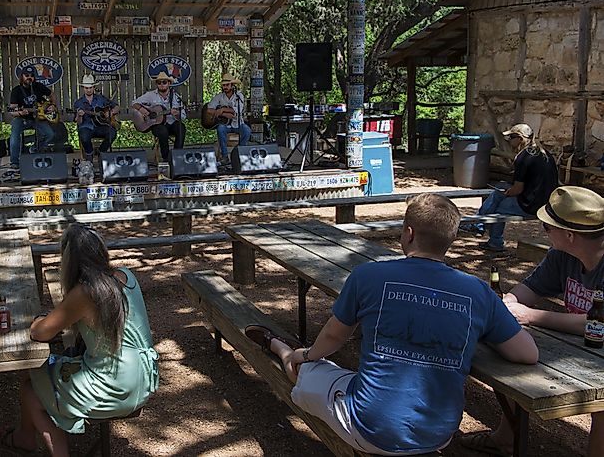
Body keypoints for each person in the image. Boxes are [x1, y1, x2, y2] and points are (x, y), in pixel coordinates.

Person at [244, 193, 538, 456]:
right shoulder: (478, 292)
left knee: (306, 369)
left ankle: (281, 349)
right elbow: (528, 354)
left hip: (370, 427)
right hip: (440, 432)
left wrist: (306, 355)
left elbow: (334, 336)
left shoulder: (367, 276)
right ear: (451, 239)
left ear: (408, 234)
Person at [461, 185, 604, 457]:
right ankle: (506, 439)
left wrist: (531, 315)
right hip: (585, 347)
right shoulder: (562, 255)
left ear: (569, 235)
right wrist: (506, 306)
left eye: (547, 227)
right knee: (518, 359)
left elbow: (598, 324)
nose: (543, 230)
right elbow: (526, 292)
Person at [0, 223, 159, 456]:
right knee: (46, 373)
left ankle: (29, 439)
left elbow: (40, 333)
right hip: (144, 380)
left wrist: (38, 320)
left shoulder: (86, 292)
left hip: (113, 387)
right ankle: (25, 436)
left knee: (30, 388)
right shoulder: (126, 275)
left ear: (69, 261)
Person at [462, 123, 558, 252]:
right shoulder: (544, 154)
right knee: (499, 189)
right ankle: (478, 225)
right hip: (546, 202)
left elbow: (517, 189)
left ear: (519, 138)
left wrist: (507, 193)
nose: (509, 141)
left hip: (530, 205)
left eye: (511, 137)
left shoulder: (523, 158)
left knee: (497, 207)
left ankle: (490, 237)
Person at [8, 66, 56, 169]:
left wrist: (52, 105)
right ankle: (14, 162)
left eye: (32, 76)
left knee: (50, 134)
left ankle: (34, 149)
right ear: (22, 77)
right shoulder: (16, 91)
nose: (29, 78)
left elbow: (51, 94)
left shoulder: (38, 86)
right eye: (27, 76)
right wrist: (21, 113)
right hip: (22, 118)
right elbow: (12, 111)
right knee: (14, 135)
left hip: (38, 118)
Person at [132, 71, 187, 162]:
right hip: (156, 125)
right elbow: (134, 103)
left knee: (181, 127)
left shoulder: (176, 97)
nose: (161, 84)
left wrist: (177, 114)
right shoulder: (150, 95)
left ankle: (177, 156)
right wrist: (142, 110)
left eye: (164, 82)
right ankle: (166, 157)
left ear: (169, 83)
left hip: (171, 122)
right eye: (159, 82)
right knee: (162, 131)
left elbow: (183, 116)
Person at [73, 74, 119, 161]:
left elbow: (117, 107)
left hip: (101, 126)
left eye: (91, 87)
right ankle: (89, 154)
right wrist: (79, 115)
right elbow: (78, 122)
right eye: (86, 88)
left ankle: (101, 152)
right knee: (84, 136)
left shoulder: (101, 98)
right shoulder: (78, 103)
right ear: (83, 88)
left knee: (112, 133)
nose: (89, 90)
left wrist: (111, 113)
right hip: (86, 126)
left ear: (94, 87)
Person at [207, 73, 251, 162]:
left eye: (227, 85)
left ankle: (239, 154)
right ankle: (225, 156)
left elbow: (237, 111)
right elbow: (208, 110)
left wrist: (222, 109)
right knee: (220, 129)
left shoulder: (239, 96)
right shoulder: (219, 96)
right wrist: (222, 114)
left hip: (238, 123)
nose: (225, 87)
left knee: (247, 130)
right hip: (225, 125)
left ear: (232, 85)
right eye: (223, 85)